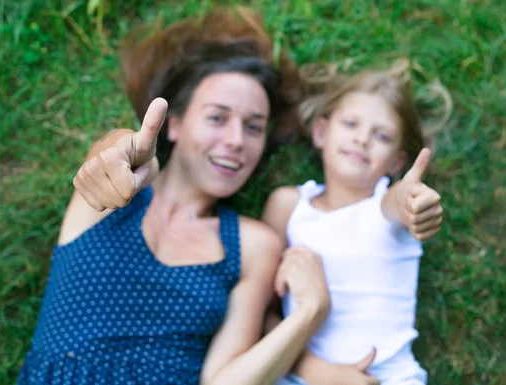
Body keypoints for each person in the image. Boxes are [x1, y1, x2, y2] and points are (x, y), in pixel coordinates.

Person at [17, 7, 331, 385]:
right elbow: (117, 156)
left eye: (253, 127)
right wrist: (124, 153)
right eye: (217, 117)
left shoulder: (252, 245)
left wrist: (309, 312)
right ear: (176, 124)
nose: (235, 140)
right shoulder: (113, 193)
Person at [262, 62, 450, 385]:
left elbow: (401, 201)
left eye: (382, 135)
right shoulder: (289, 206)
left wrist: (416, 202)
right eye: (350, 124)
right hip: (298, 375)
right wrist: (313, 370)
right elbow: (260, 311)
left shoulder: (384, 208)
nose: (362, 139)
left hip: (389, 377)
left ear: (397, 162)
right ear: (321, 132)